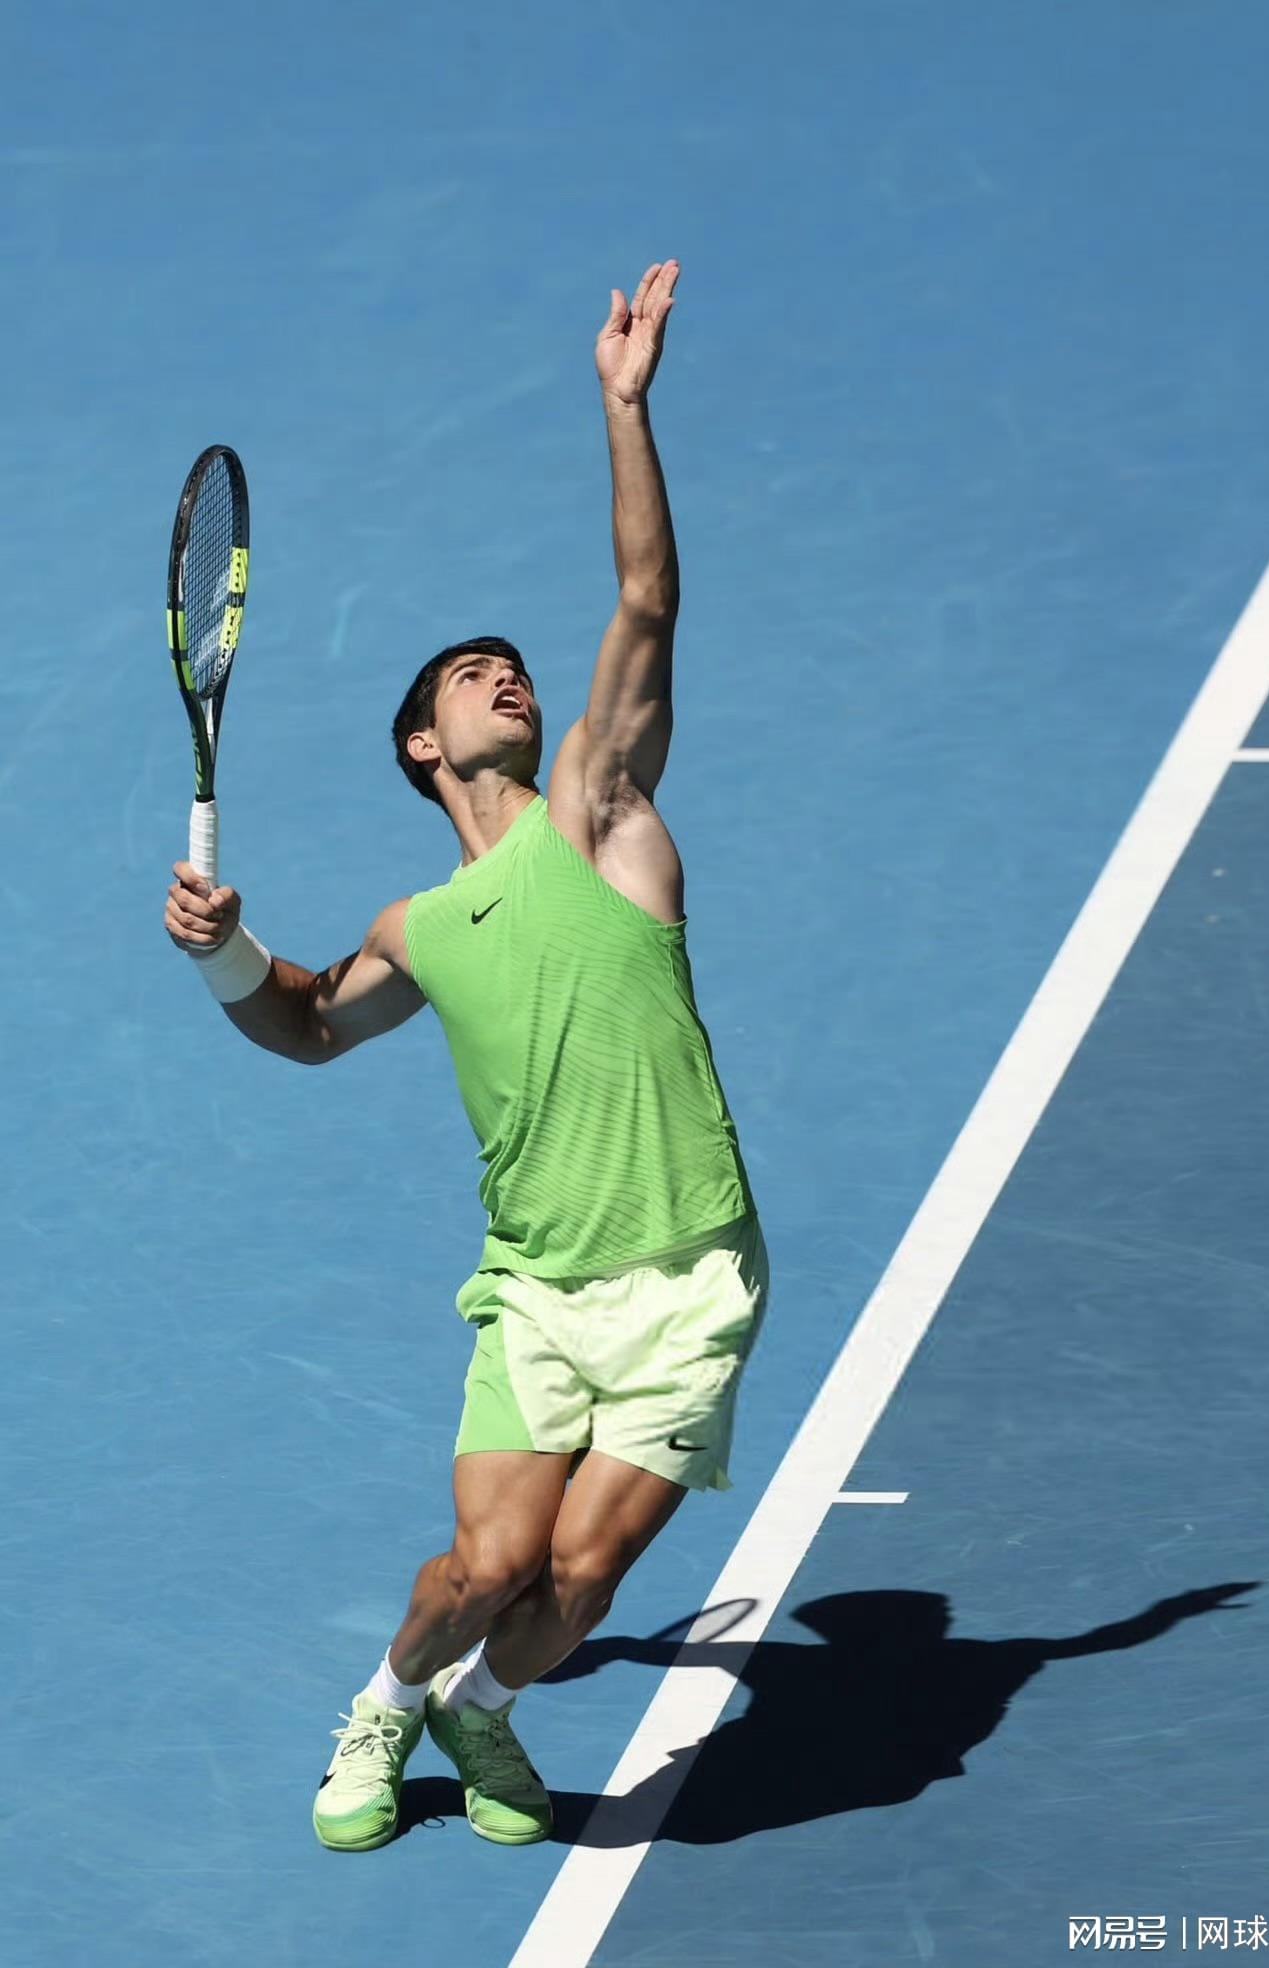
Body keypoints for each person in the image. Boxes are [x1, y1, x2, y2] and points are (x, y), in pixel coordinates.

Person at [163, 259, 768, 1853]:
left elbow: (646, 605)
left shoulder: (602, 818)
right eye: (467, 674)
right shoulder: (421, 927)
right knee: (485, 1567)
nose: (508, 673)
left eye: (516, 668)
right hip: (539, 1291)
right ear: (425, 746)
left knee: (577, 1582)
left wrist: (624, 409)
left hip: (690, 1274)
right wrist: (223, 948)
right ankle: (385, 1706)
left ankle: (479, 1712)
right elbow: (306, 1024)